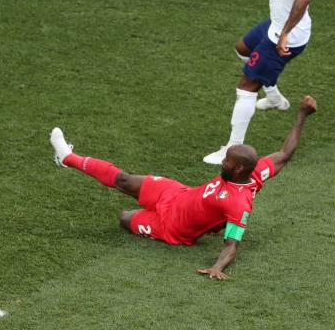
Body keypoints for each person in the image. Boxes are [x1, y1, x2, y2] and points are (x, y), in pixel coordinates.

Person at [49, 96, 318, 280]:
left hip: (174, 228)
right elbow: (284, 153)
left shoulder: (239, 203)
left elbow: (232, 243)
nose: (222, 161)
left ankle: (146, 219)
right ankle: (68, 158)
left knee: (124, 218)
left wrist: (217, 266)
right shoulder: (255, 170)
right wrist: (302, 115)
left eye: (227, 159)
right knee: (125, 181)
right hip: (176, 193)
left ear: (237, 169)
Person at [203, 0, 317, 165]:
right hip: (278, 25)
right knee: (243, 47)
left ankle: (231, 150)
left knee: (246, 86)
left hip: (283, 36)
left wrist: (285, 32)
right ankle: (275, 96)